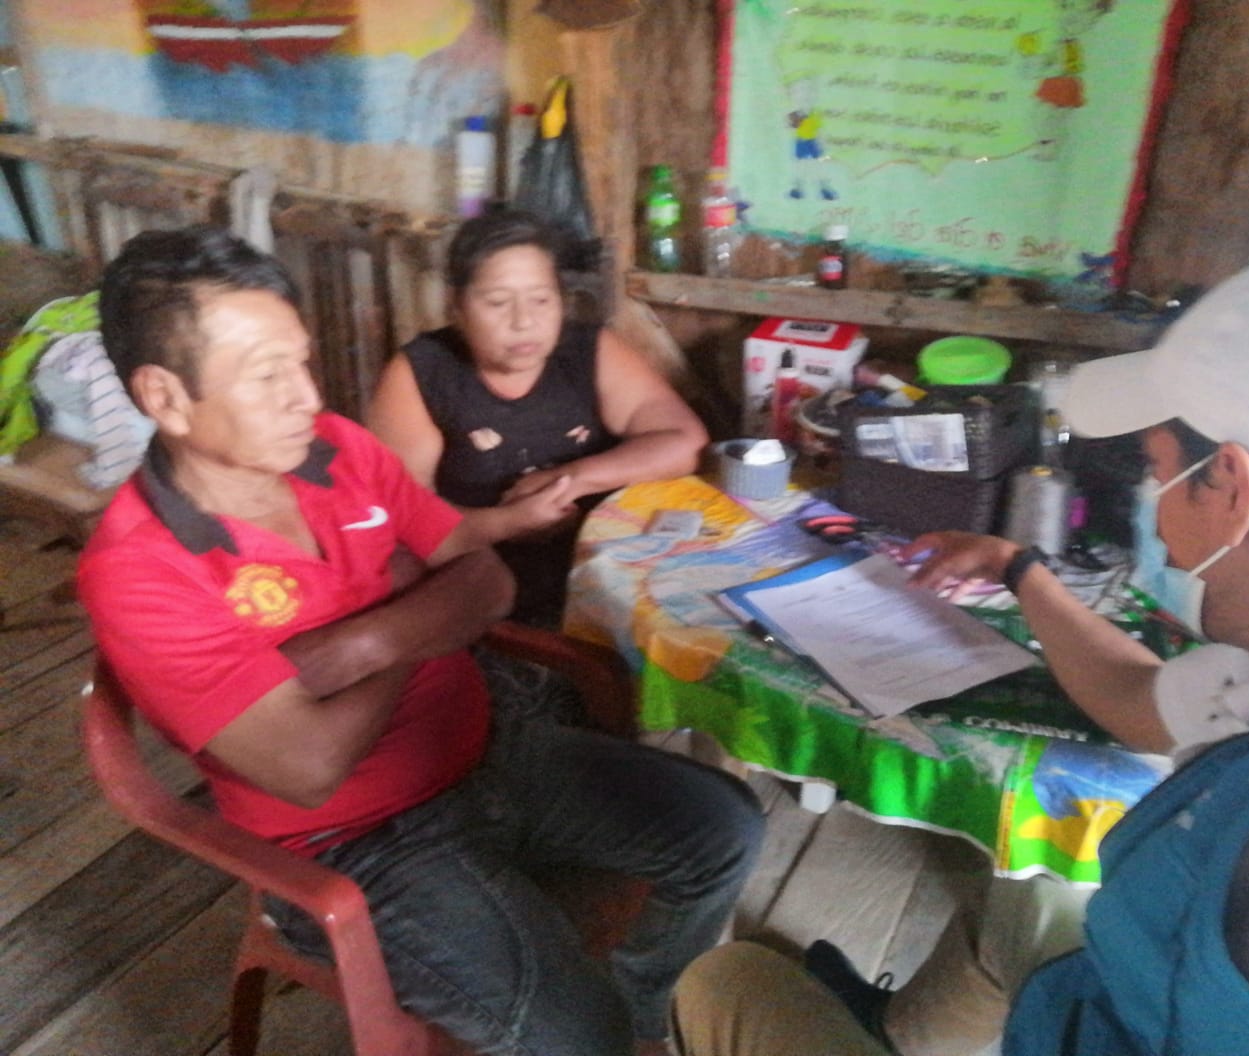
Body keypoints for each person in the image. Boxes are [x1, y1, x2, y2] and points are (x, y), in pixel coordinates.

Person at [672, 245, 1249, 1056]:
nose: (1154, 513)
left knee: (724, 984)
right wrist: (1021, 571)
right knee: (1034, 896)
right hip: (1114, 1006)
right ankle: (900, 1035)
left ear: (1233, 490)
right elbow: (1139, 700)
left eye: (1156, 473)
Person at [76, 225, 765, 1056]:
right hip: (355, 846)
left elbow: (487, 579)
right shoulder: (138, 570)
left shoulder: (336, 449)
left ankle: (646, 1006)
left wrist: (352, 648)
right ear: (164, 397)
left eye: (302, 362)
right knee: (582, 1033)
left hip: (483, 747)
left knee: (725, 828)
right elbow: (310, 765)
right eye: (267, 376)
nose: (307, 396)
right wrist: (417, 613)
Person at [366, 208, 709, 627]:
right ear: (456, 306)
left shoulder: (587, 351)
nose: (524, 321)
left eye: (541, 300)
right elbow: (403, 522)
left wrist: (570, 480)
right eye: (497, 302)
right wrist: (508, 522)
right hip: (480, 584)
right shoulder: (421, 372)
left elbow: (684, 442)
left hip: (601, 568)